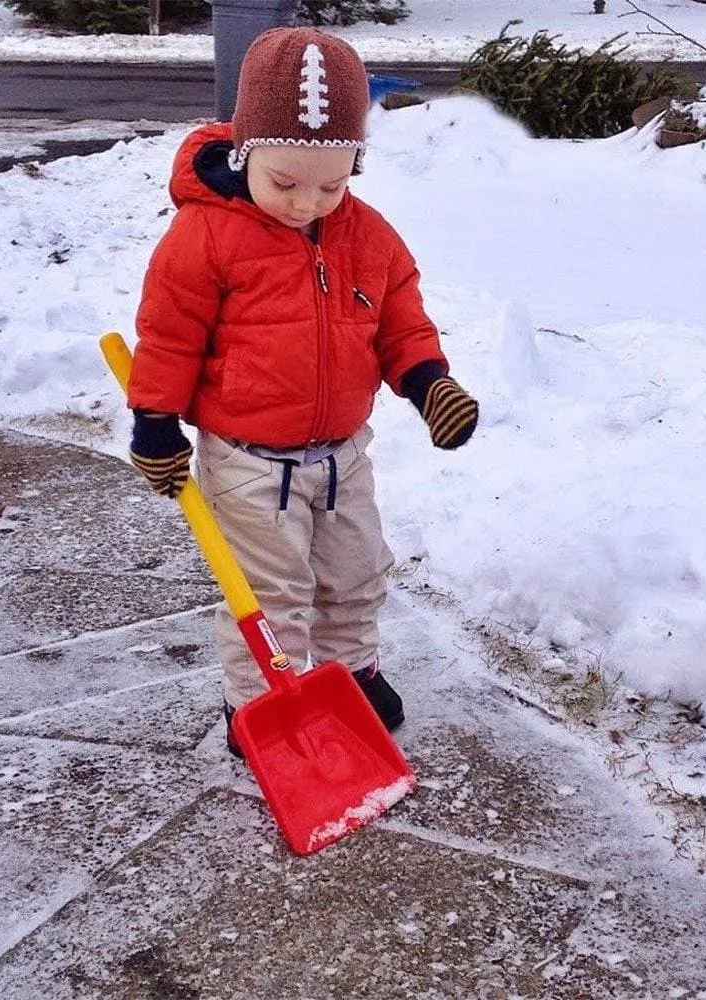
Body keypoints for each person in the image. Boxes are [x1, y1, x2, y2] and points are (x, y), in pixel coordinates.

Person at [125, 27, 478, 758]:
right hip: (248, 463)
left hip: (343, 453)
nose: (306, 203)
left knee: (355, 574)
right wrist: (155, 423)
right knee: (270, 595)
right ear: (245, 151)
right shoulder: (205, 236)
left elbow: (400, 318)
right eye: (284, 183)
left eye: (333, 184)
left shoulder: (367, 234)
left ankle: (352, 672)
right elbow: (169, 337)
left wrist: (427, 381)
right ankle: (259, 704)